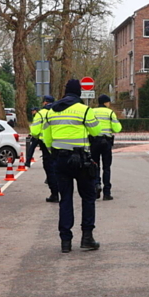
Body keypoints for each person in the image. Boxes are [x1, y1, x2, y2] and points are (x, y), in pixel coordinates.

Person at [41, 79, 103, 253]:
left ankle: (65, 241)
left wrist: (55, 152)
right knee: (88, 198)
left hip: (61, 159)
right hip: (81, 160)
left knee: (65, 199)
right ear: (79, 93)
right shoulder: (85, 110)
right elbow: (96, 131)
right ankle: (87, 237)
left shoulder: (51, 111)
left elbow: (46, 138)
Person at [90, 94, 122, 200]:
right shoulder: (110, 113)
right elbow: (117, 128)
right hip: (106, 142)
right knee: (106, 167)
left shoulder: (92, 111)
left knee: (95, 165)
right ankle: (107, 193)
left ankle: (96, 186)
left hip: (94, 142)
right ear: (105, 103)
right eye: (108, 102)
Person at [30, 96, 59, 202]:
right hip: (59, 143)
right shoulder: (58, 111)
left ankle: (54, 193)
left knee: (49, 169)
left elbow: (35, 132)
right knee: (59, 168)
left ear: (45, 103)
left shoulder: (41, 114)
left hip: (45, 144)